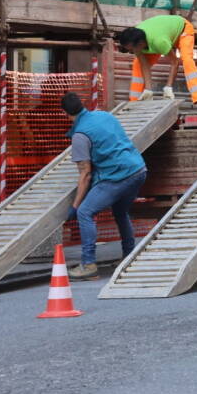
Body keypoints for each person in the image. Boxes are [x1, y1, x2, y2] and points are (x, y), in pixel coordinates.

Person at [61, 92, 148, 281]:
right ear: (82, 104)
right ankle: (129, 256)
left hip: (118, 176)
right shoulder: (104, 115)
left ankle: (89, 264)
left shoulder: (80, 136)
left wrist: (75, 206)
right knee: (120, 211)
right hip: (138, 169)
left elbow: (85, 174)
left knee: (85, 212)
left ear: (66, 114)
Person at [118, 14, 197, 113]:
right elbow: (144, 65)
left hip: (182, 30)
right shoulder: (135, 39)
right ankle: (134, 103)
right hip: (162, 34)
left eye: (131, 50)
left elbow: (175, 62)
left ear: (140, 44)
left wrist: (168, 87)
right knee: (137, 64)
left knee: (187, 59)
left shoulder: (159, 42)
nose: (131, 52)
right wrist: (148, 89)